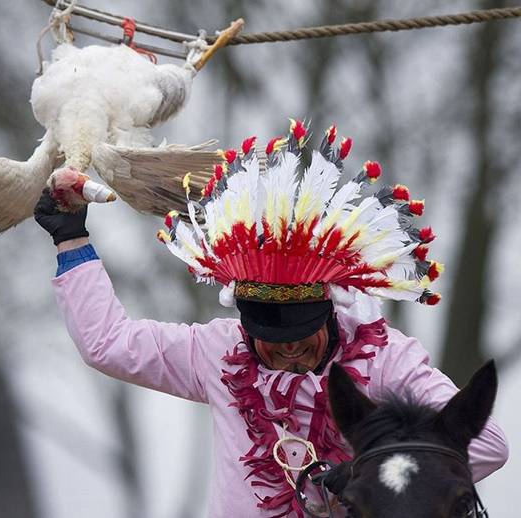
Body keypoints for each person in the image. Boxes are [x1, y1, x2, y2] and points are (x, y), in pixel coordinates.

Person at [35, 119, 508, 518]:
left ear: (329, 309)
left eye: (302, 333)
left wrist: (367, 470)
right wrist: (71, 241)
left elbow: (487, 445)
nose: (288, 347)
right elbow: (109, 345)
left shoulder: (386, 359)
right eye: (270, 336)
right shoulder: (216, 352)